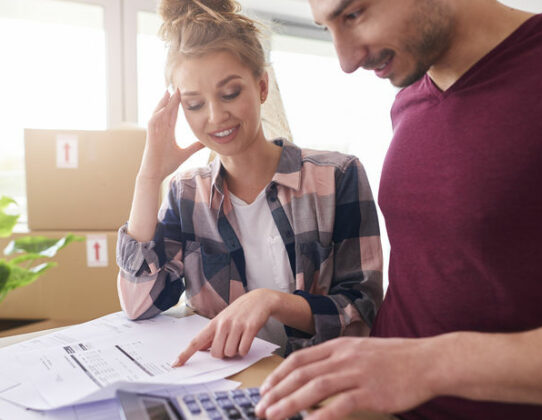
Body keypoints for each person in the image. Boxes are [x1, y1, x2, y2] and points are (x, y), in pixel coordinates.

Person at [254, 1, 542, 419]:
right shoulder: (409, 98)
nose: (346, 60)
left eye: (353, 13)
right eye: (327, 27)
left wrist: (429, 364)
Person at [115, 0, 383, 363]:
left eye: (230, 93)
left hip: (316, 382)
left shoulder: (337, 177)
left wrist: (272, 302)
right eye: (194, 104)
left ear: (261, 87)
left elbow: (361, 313)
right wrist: (148, 178)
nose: (215, 116)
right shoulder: (187, 194)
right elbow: (138, 305)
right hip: (230, 387)